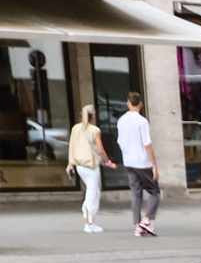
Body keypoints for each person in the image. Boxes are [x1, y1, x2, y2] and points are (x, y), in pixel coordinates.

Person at [117, 92, 159, 237]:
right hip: (142, 161)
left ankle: (137, 225)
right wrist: (154, 164)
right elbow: (147, 144)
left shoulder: (121, 121)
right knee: (154, 192)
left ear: (128, 103)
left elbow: (120, 143)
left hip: (128, 161)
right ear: (140, 103)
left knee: (136, 193)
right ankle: (147, 220)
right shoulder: (142, 121)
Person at [67, 104, 112, 233]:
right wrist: (108, 161)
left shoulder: (76, 128)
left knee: (93, 191)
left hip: (80, 166)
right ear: (94, 115)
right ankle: (89, 222)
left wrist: (70, 163)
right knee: (92, 192)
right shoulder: (94, 130)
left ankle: (89, 218)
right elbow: (100, 149)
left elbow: (72, 146)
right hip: (91, 166)